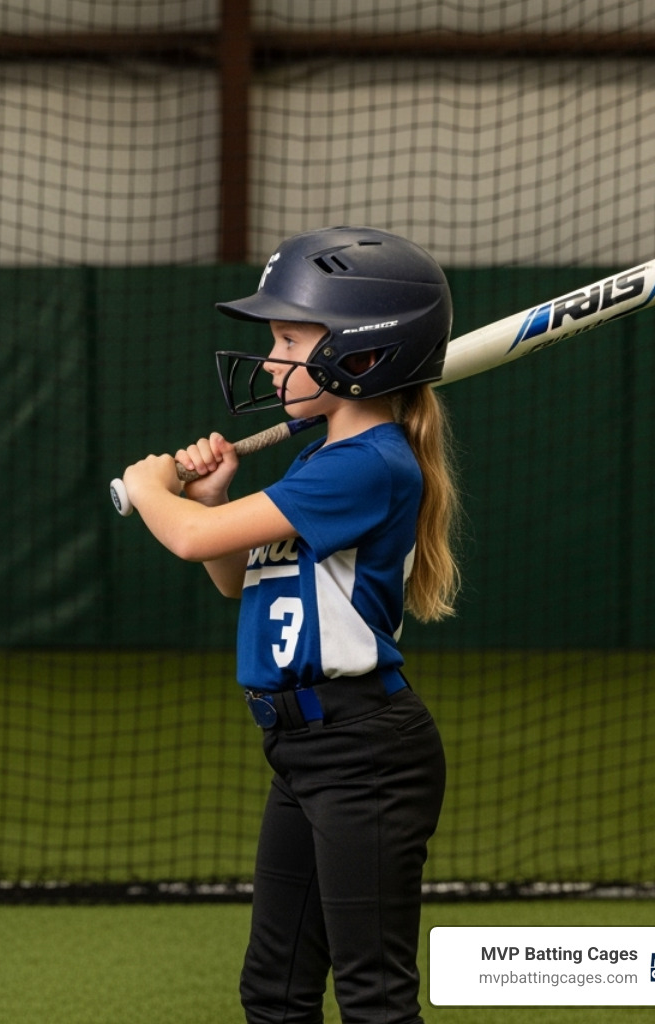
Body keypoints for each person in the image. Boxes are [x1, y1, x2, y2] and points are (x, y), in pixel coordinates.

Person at [120, 226, 460, 1024]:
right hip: (304, 748)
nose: (271, 360)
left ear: (363, 354)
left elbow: (188, 541)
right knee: (274, 992)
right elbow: (235, 576)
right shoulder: (319, 463)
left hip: (364, 754)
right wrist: (205, 497)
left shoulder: (368, 463)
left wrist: (150, 489)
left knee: (374, 997)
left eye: (287, 338)